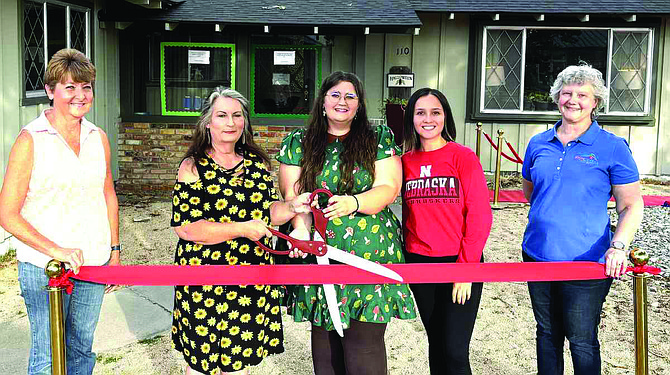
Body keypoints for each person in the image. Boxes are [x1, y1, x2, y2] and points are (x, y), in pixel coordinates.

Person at [276, 71, 416, 375]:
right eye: (335, 95)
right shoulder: (299, 142)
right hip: (318, 251)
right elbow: (293, 193)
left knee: (363, 345)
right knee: (325, 344)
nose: (343, 101)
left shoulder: (378, 139)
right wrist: (301, 228)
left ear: (359, 105)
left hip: (368, 252)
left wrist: (354, 202)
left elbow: (388, 188)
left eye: (350, 96)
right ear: (322, 102)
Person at [170, 87, 311, 375]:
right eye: (222, 115)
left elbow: (267, 212)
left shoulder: (257, 163)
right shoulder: (192, 166)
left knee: (239, 363)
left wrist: (293, 206)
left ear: (244, 122)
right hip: (203, 280)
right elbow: (186, 228)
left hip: (250, 278)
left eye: (237, 115)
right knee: (201, 365)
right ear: (208, 122)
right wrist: (242, 229)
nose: (230, 122)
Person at [0, 48, 120, 375]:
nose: (80, 96)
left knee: (81, 348)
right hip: (46, 267)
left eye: (86, 87)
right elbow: (7, 213)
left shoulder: (99, 137)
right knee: (48, 354)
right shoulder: (31, 139)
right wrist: (57, 251)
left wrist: (114, 250)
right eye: (70, 87)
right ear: (50, 91)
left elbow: (108, 194)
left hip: (92, 263)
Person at [521, 64, 644, 375]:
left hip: (587, 262)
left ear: (595, 102)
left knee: (581, 339)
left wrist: (618, 245)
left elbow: (630, 205)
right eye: (566, 93)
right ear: (557, 98)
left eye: (582, 95)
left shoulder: (612, 147)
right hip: (537, 255)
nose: (572, 100)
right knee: (547, 334)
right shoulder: (538, 143)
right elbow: (530, 191)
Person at [401, 88, 492, 374]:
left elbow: (480, 215)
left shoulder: (462, 157)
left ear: (445, 117)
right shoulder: (404, 162)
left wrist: (465, 269)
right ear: (411, 119)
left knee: (454, 350)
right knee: (436, 343)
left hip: (458, 262)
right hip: (419, 261)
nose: (428, 119)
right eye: (420, 113)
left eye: (435, 112)